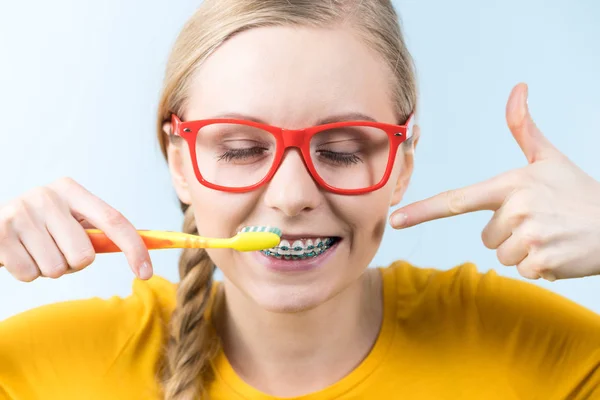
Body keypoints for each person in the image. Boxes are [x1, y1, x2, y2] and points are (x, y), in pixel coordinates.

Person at [1, 1, 600, 399]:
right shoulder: (38, 365)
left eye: (340, 150)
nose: (291, 197)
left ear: (400, 167)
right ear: (181, 164)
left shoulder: (543, 357)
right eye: (239, 149)